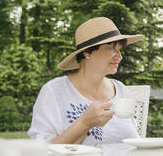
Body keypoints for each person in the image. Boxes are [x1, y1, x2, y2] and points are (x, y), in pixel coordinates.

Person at [28, 17, 144, 145]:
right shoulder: (54, 92)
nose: (119, 56)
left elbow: (135, 141)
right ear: (87, 52)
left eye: (120, 49)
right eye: (111, 48)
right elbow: (41, 151)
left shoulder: (121, 89)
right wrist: (85, 123)